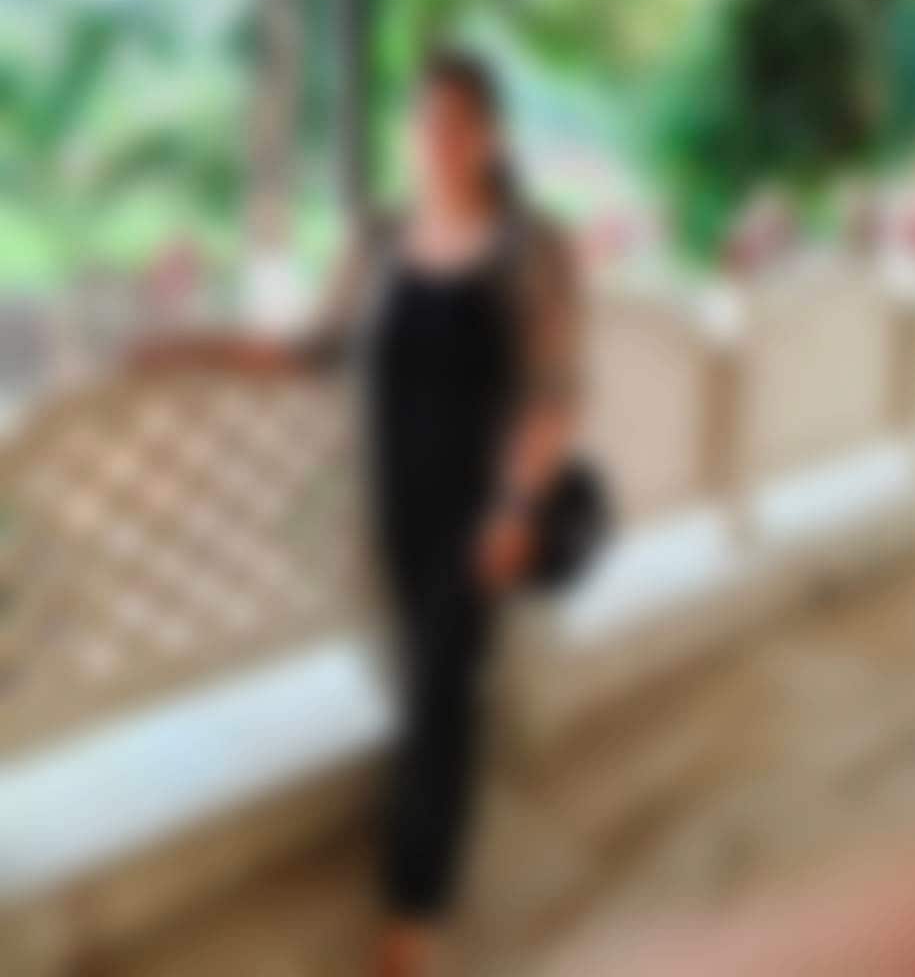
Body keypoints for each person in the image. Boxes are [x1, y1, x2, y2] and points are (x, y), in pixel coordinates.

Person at [137, 51, 582, 976]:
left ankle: (414, 909)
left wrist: (514, 507)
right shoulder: (379, 238)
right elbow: (312, 348)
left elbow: (551, 394)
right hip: (393, 506)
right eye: (424, 121)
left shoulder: (532, 246)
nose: (437, 139)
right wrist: (192, 346)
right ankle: (431, 848)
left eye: (457, 122)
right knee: (428, 685)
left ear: (490, 134)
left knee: (443, 691)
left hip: (481, 509)